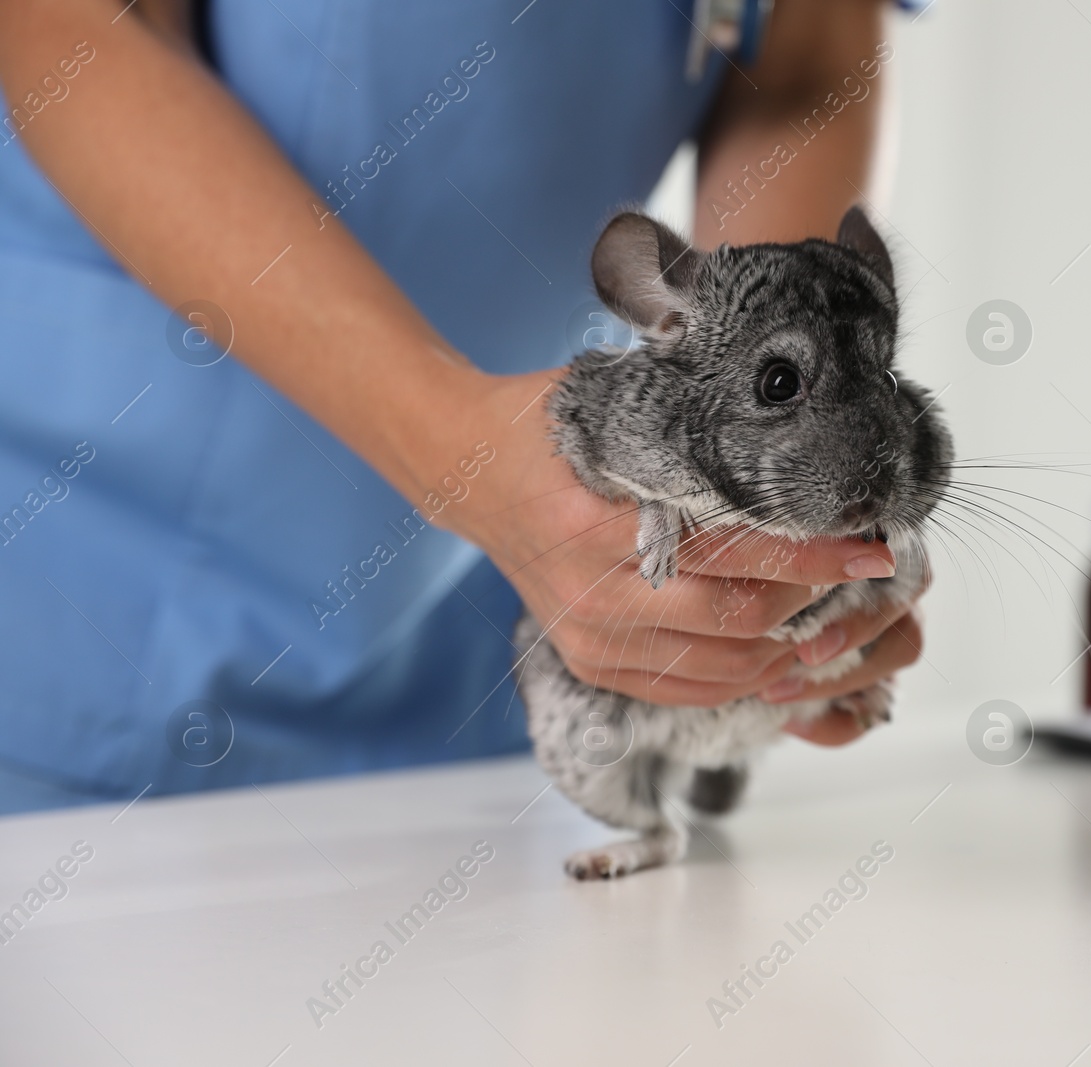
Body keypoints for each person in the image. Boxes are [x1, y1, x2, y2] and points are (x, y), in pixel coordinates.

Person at [0, 0, 928, 812]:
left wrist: (765, 511)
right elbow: (65, 24)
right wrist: (462, 452)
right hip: (110, 576)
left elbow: (805, 58)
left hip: (483, 613)